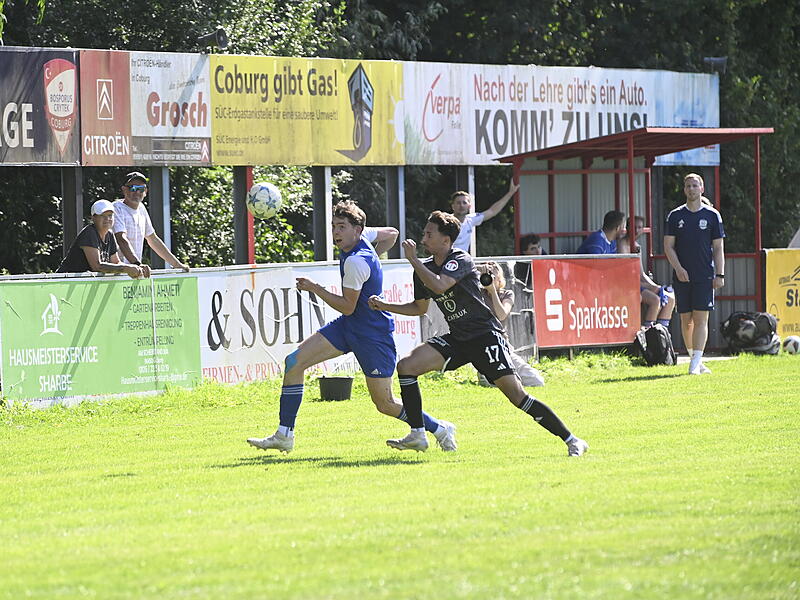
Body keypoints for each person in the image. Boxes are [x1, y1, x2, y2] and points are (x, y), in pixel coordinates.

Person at [368, 211, 588, 457]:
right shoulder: (424, 268)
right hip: (458, 337)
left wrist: (414, 261)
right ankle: (418, 433)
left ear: (445, 240)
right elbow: (419, 308)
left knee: (517, 396)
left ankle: (573, 440)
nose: (423, 239)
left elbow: (440, 285)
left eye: (429, 234)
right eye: (424, 234)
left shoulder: (460, 258)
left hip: (485, 336)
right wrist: (385, 305)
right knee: (407, 367)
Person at [247, 200, 456, 453]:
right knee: (294, 362)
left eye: (342, 227)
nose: (336, 232)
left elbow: (347, 306)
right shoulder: (363, 236)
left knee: (385, 403)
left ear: (357, 230)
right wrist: (375, 256)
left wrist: (315, 288)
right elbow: (392, 234)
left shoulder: (357, 261)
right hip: (349, 327)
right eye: (334, 226)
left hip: (372, 335)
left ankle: (439, 428)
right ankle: (284, 435)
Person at [664, 173, 726, 375]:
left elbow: (718, 248)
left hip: (704, 276)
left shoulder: (712, 215)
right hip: (682, 276)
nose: (691, 189)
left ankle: (694, 364)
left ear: (702, 188)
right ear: (684, 190)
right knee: (686, 320)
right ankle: (695, 360)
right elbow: (668, 246)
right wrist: (678, 268)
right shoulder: (675, 216)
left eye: (695, 185)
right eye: (688, 186)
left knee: (701, 319)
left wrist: (720, 275)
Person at [477, 261, 545, 387]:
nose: (490, 277)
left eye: (493, 274)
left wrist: (493, 292)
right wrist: (476, 268)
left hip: (503, 346)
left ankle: (510, 376)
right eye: (488, 274)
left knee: (536, 380)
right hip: (484, 348)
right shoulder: (477, 293)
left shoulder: (507, 294)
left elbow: (502, 314)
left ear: (500, 278)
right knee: (491, 383)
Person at [113, 171, 189, 275]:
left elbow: (153, 239)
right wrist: (137, 264)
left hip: (135, 271)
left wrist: (177, 264)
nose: (137, 192)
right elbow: (121, 238)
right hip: (117, 272)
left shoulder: (141, 208)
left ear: (145, 191)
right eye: (133, 188)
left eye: (141, 189)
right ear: (124, 189)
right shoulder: (116, 208)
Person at [57, 200, 143, 279]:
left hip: (83, 284)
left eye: (110, 215)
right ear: (93, 218)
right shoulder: (89, 233)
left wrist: (138, 267)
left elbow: (116, 262)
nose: (107, 219)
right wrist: (126, 268)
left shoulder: (110, 234)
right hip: (64, 282)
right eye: (102, 215)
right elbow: (97, 266)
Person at [617, 215, 676, 328]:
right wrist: (652, 287)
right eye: (634, 227)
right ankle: (648, 333)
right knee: (655, 300)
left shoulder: (637, 246)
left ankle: (661, 331)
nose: (636, 230)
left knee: (669, 298)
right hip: (625, 285)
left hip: (637, 284)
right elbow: (625, 273)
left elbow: (642, 274)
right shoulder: (622, 244)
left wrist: (657, 287)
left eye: (639, 227)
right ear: (628, 227)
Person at [450, 179, 520, 252]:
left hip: (462, 257)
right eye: (458, 203)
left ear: (469, 206)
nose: (461, 205)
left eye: (464, 203)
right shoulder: (446, 221)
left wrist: (511, 192)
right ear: (453, 206)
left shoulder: (471, 219)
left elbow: (492, 211)